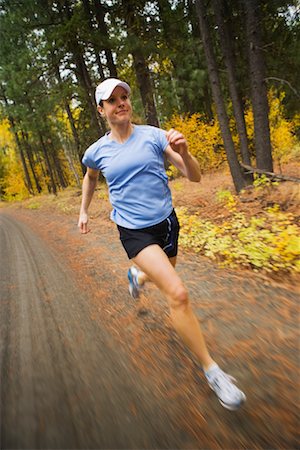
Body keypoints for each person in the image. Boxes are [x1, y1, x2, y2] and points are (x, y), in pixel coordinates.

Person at [78, 78, 246, 411]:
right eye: (112, 100)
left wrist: (183, 151)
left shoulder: (155, 136)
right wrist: (83, 210)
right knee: (178, 293)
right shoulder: (96, 152)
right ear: (101, 110)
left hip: (167, 223)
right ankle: (213, 372)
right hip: (134, 232)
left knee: (165, 273)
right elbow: (91, 176)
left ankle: (137, 277)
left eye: (124, 97)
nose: (121, 103)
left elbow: (193, 176)